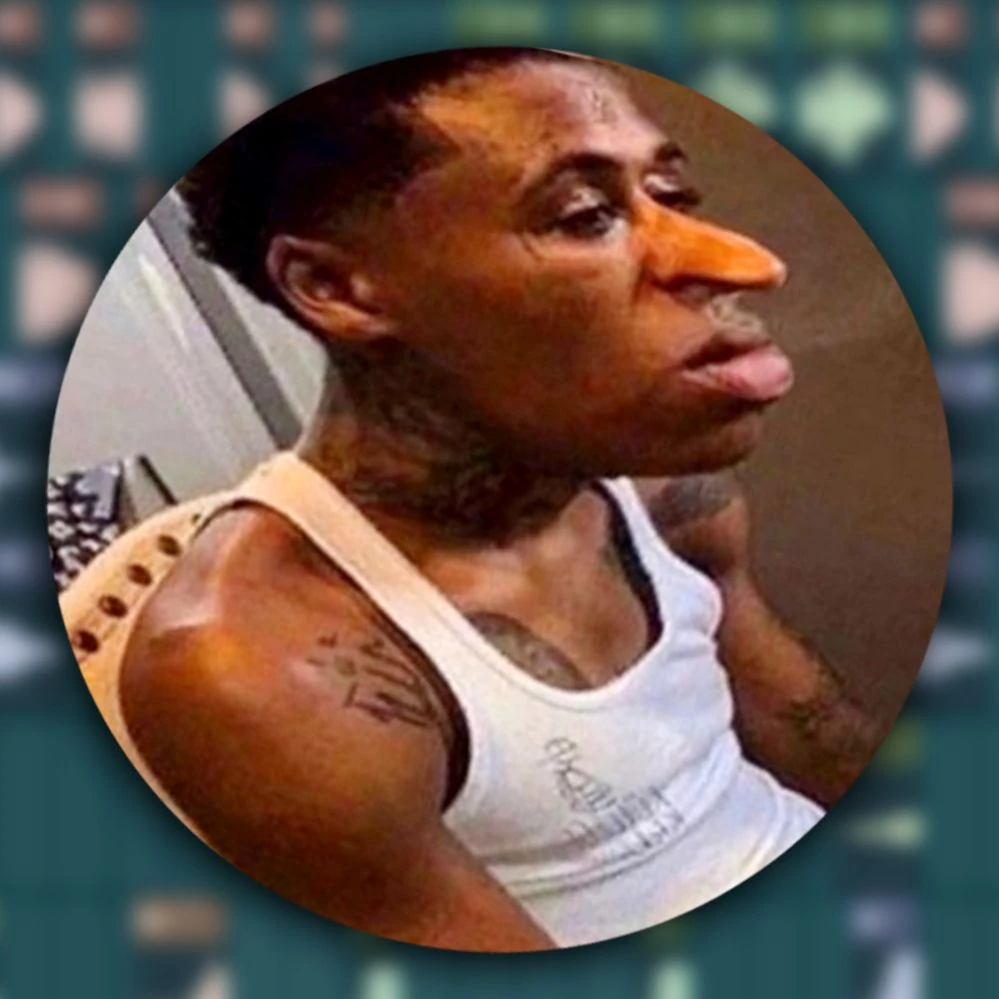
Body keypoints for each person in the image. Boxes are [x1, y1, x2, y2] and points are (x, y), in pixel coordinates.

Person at [60, 47, 887, 951]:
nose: (740, 263)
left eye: (671, 195)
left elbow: (804, 725)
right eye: (587, 215)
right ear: (334, 288)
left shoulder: (657, 485)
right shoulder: (259, 663)